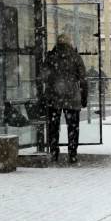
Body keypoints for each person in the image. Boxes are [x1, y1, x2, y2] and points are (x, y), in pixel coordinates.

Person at [43, 34, 88, 164]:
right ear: (70, 43)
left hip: (54, 97)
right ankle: (72, 154)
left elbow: (43, 77)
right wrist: (84, 98)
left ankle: (53, 153)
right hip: (72, 97)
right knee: (73, 128)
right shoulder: (76, 57)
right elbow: (84, 80)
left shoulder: (51, 57)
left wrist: (53, 81)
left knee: (53, 127)